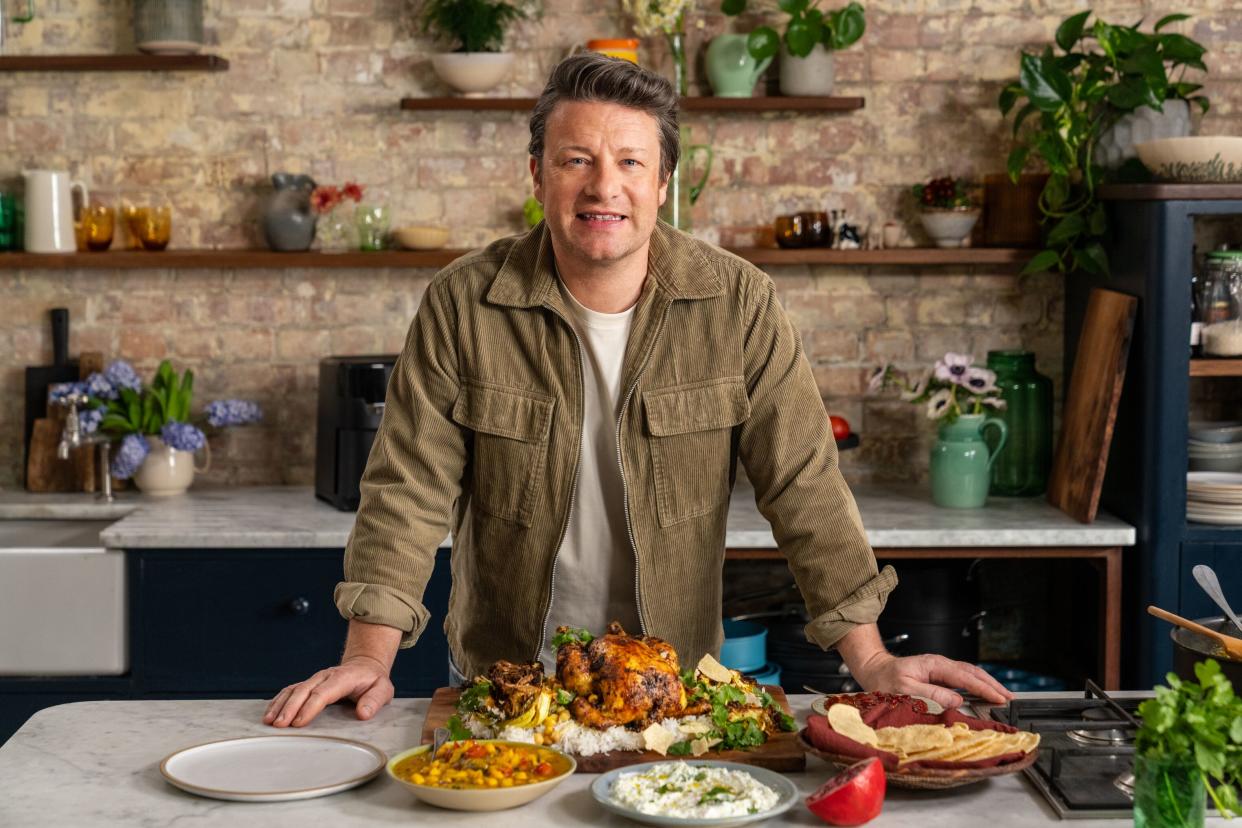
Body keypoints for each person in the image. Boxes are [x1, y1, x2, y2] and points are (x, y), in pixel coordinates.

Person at [264, 53, 1011, 729]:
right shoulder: (464, 303)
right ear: (537, 176)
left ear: (662, 183)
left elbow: (804, 487)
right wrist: (368, 657)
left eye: (629, 160)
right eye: (575, 160)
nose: (603, 186)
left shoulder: (739, 303)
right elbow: (406, 489)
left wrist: (873, 663)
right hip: (506, 683)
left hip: (673, 687)